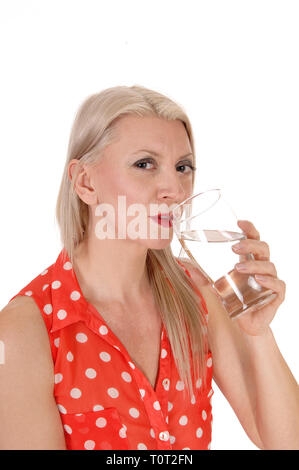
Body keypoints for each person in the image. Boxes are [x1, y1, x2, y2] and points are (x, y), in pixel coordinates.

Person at [0, 85, 298, 450]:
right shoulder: (27, 330)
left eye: (183, 167)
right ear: (85, 182)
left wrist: (259, 335)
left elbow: (286, 442)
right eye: (145, 164)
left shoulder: (197, 293)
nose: (174, 188)